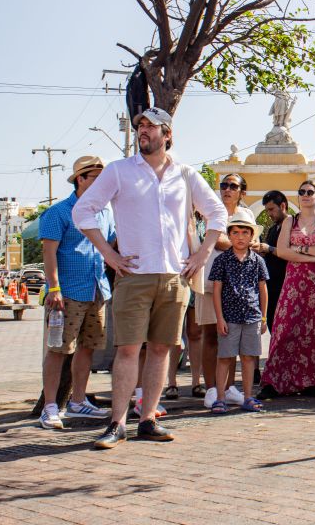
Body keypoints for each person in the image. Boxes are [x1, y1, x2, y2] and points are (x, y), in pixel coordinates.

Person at [73, 107, 228, 449]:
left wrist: (201, 255)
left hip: (174, 277)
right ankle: (116, 424)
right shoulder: (119, 171)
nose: (143, 131)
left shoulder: (185, 174)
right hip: (134, 275)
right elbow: (82, 210)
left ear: (167, 135)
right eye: (140, 126)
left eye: (150, 126)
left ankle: (147, 419)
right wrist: (108, 253)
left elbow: (217, 213)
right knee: (127, 350)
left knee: (161, 349)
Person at [38, 155, 113, 430]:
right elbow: (49, 253)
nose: (101, 184)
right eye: (95, 178)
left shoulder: (105, 212)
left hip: (97, 289)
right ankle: (49, 406)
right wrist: (53, 288)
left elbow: (113, 242)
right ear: (80, 179)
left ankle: (78, 401)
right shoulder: (58, 212)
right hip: (66, 292)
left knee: (87, 348)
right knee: (58, 349)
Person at [258, 180, 315, 398]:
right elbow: (283, 252)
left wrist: (300, 248)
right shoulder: (290, 222)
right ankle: (274, 382)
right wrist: (311, 255)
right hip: (294, 282)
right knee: (285, 329)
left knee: (314, 331)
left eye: (309, 192)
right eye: (302, 192)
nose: (305, 195)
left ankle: (312, 382)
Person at [196, 173, 250, 409]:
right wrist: (241, 242)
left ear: (242, 191)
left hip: (236, 286)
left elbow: (245, 244)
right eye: (224, 185)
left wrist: (239, 242)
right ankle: (211, 389)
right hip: (210, 281)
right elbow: (217, 240)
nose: (227, 189)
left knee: (231, 339)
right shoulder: (212, 211)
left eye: (233, 186)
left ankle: (227, 388)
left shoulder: (246, 215)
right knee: (210, 336)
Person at [209, 209, 268, 414]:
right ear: (229, 235)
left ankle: (248, 395)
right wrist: (219, 318)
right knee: (225, 357)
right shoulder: (222, 260)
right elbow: (216, 289)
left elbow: (262, 289)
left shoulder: (258, 261)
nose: (240, 237)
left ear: (252, 235)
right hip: (230, 317)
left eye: (245, 233)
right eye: (235, 232)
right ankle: (221, 397)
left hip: (251, 316)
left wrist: (263, 316)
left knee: (249, 357)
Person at [253, 190, 291, 333]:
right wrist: (262, 251)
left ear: (282, 206)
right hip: (272, 287)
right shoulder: (273, 229)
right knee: (273, 327)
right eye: (267, 210)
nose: (269, 214)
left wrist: (269, 249)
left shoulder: (294, 226)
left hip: (286, 287)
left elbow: (291, 253)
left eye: (271, 209)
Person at [164, 291, 203, 400]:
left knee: (196, 333)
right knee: (175, 334)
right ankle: (171, 383)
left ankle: (196, 382)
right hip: (177, 282)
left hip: (195, 285)